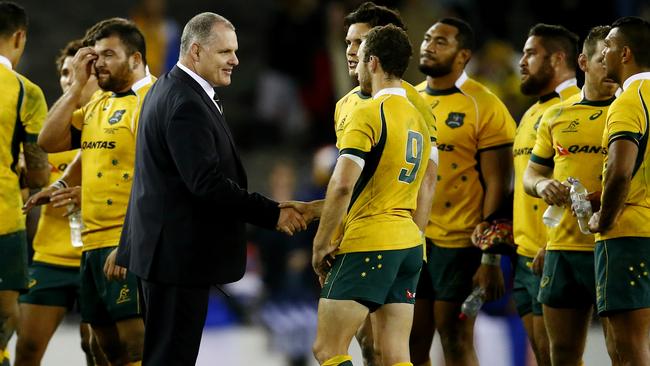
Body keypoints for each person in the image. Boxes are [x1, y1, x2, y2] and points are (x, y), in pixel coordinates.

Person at [112, 13, 306, 366]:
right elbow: (206, 183)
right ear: (196, 51)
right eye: (225, 52)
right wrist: (272, 213)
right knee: (171, 358)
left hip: (165, 256)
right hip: (176, 260)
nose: (235, 60)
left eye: (235, 51)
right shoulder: (185, 103)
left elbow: (150, 178)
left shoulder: (167, 89)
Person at [306, 24, 436, 366]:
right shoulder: (419, 116)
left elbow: (342, 184)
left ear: (373, 62)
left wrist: (321, 244)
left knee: (327, 348)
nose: (358, 65)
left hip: (370, 242)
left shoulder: (367, 112)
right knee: (395, 354)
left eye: (361, 57)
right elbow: (424, 182)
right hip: (409, 245)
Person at [36, 18, 155, 365]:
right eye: (95, 56)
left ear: (135, 59)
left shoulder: (154, 101)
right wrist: (75, 86)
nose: (99, 63)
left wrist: (129, 243)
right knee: (104, 348)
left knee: (137, 343)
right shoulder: (98, 106)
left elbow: (159, 182)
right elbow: (48, 140)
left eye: (108, 54)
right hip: (91, 244)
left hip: (127, 242)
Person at [409, 17, 516, 366]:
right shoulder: (408, 101)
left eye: (441, 41)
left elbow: (499, 184)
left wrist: (490, 255)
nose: (429, 45)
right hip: (413, 239)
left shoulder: (483, 105)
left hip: (460, 243)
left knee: (454, 337)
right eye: (427, 38)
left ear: (463, 55)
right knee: (411, 341)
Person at [522, 25, 619, 365]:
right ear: (583, 61)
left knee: (623, 351)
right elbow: (531, 175)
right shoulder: (557, 115)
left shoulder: (631, 112)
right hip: (562, 249)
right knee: (560, 354)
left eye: (617, 59)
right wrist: (542, 186)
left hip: (614, 244)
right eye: (602, 60)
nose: (611, 69)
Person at [16, 39, 107, 366]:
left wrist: (88, 193)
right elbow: (27, 186)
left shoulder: (110, 125)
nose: (71, 80)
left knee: (95, 348)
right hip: (50, 256)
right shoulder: (47, 129)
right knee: (26, 349)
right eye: (65, 73)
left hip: (97, 254)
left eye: (79, 72)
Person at [512, 23, 580, 366]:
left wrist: (551, 245)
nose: (521, 62)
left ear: (557, 58)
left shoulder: (577, 109)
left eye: (530, 54)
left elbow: (582, 183)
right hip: (524, 254)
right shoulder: (531, 113)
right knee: (543, 357)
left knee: (561, 358)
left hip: (553, 252)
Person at [590, 16, 650, 365]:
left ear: (625, 53)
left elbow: (619, 171)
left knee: (627, 348)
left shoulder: (628, 101)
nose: (604, 55)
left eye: (609, 47)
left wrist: (603, 218)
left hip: (629, 236)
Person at [0, 2, 49, 365]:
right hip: (3, 220)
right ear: (19, 37)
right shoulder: (25, 92)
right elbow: (37, 171)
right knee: (5, 317)